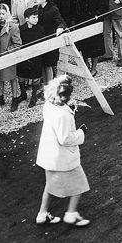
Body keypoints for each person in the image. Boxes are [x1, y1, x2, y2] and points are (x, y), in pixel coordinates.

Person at [35, 75, 90, 227]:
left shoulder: (49, 105)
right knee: (79, 183)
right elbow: (65, 139)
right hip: (62, 157)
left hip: (49, 156)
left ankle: (42, 214)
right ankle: (71, 214)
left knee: (50, 185)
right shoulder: (63, 115)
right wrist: (81, 132)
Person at [65, 0, 108, 76]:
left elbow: (105, 6)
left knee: (95, 47)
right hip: (81, 21)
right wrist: (73, 19)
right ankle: (86, 64)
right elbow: (72, 5)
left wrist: (98, 15)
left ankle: (94, 68)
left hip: (94, 21)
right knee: (83, 45)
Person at [0, 3, 22, 108]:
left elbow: (18, 44)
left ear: (7, 14)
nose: (1, 16)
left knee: (12, 78)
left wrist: (8, 51)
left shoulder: (13, 27)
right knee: (0, 77)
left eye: (3, 14)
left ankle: (15, 98)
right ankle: (1, 98)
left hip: (8, 57)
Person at [35, 0, 66, 84]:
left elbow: (61, 22)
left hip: (50, 40)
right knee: (43, 65)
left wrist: (60, 27)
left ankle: (50, 85)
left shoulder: (53, 9)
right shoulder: (39, 8)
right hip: (42, 40)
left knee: (48, 65)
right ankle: (46, 84)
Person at [16, 6, 46, 109]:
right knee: (21, 76)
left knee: (35, 77)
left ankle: (34, 96)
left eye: (37, 17)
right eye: (33, 17)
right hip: (23, 57)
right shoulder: (21, 29)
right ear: (27, 19)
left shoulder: (40, 29)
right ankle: (23, 94)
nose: (36, 19)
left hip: (36, 57)